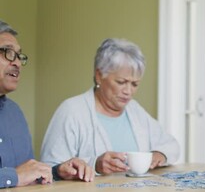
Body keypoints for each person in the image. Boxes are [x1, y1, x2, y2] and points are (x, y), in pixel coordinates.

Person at [40, 38, 180, 175]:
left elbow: (171, 145)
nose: (128, 91)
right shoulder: (72, 111)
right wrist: (94, 164)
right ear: (99, 75)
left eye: (134, 84)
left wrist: (159, 154)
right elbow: (49, 169)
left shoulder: (134, 110)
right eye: (121, 82)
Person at [0, 20, 93, 188]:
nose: (17, 63)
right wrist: (13, 176)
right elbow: (18, 176)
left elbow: (26, 176)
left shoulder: (15, 113)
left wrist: (56, 173)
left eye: (19, 56)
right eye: (7, 52)